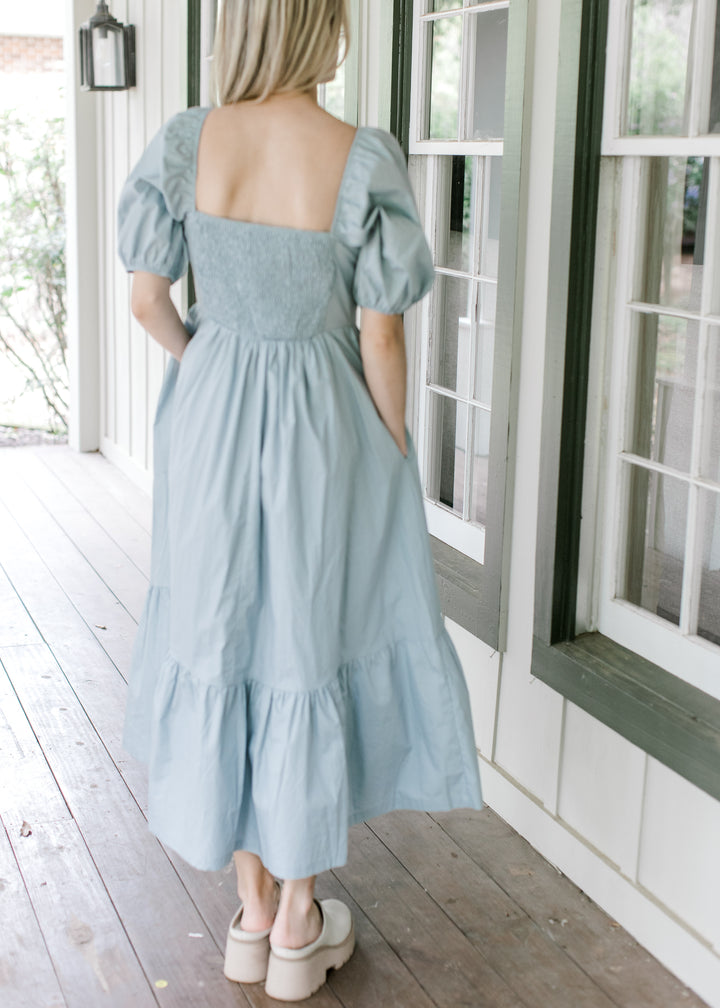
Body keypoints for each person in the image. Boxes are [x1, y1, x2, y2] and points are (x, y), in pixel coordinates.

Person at [117, 0, 483, 1000]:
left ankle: (248, 911)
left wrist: (209, 367)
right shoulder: (360, 156)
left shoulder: (189, 141)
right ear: (325, 27)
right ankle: (298, 920)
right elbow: (381, 334)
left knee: (225, 632)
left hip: (211, 422)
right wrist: (391, 443)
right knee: (307, 638)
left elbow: (148, 300)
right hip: (325, 426)